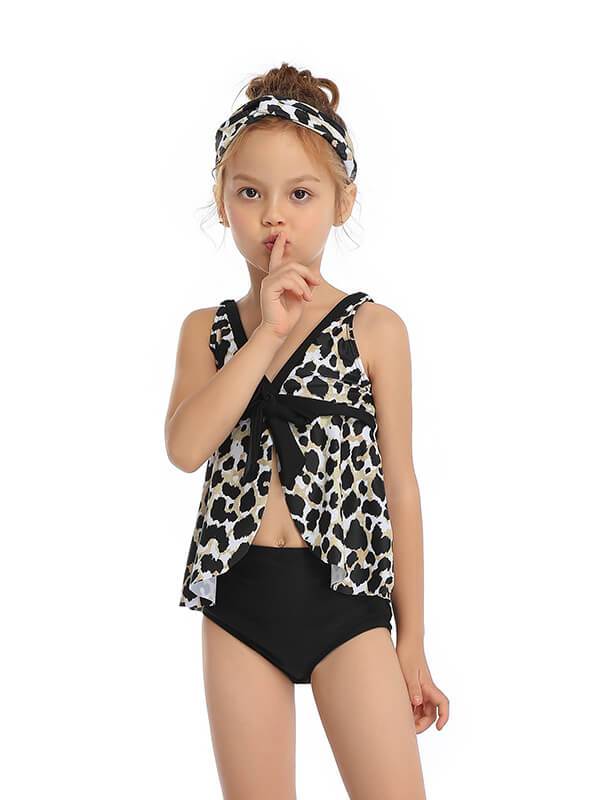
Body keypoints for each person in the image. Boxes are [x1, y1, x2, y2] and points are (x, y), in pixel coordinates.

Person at [165, 62, 449, 799]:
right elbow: (186, 448)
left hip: (346, 603)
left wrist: (412, 643)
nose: (273, 218)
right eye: (249, 193)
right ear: (221, 202)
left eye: (300, 194)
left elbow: (402, 488)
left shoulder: (375, 330)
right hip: (240, 602)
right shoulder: (207, 331)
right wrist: (265, 332)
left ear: (342, 201)